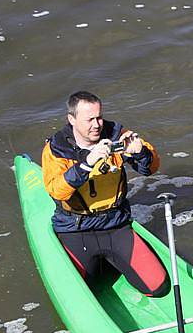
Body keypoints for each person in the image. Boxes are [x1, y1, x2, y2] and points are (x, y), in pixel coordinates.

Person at [41, 91, 168, 297]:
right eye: (89, 119)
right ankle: (102, 264)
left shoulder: (117, 134)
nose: (97, 124)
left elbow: (150, 169)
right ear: (71, 119)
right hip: (75, 229)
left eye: (99, 117)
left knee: (159, 288)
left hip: (114, 225)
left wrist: (141, 153)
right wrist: (86, 164)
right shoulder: (57, 148)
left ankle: (112, 261)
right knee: (76, 295)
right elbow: (56, 190)